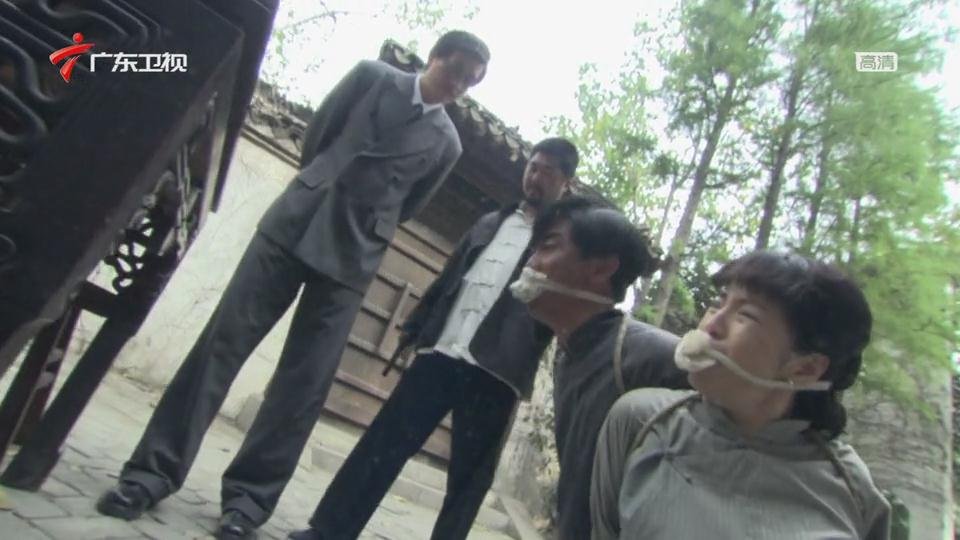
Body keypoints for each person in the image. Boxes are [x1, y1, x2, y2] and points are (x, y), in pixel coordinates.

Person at [95, 30, 490, 540]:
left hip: (353, 257)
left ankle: (247, 504)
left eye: (470, 82)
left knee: (303, 385)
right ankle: (150, 475)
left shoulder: (447, 144)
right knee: (221, 346)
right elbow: (318, 138)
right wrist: (323, 184)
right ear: (434, 57)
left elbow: (409, 206)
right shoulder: (373, 77)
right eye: (455, 70)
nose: (458, 86)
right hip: (296, 223)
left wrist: (364, 218)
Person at [287, 138, 578, 540]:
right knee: (382, 445)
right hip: (442, 352)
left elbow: (562, 310)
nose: (536, 177)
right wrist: (415, 328)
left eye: (548, 171)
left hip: (496, 373)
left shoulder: (563, 245)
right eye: (533, 166)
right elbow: (448, 279)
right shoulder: (491, 223)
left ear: (565, 183)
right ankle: (327, 532)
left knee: (467, 482)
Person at [590, 251, 891, 540]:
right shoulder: (640, 420)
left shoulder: (853, 489)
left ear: (806, 368)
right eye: (718, 303)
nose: (711, 325)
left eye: (745, 314)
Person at [512, 196, 689, 540]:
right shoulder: (567, 351)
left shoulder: (655, 357)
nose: (531, 263)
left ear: (600, 269)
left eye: (548, 246)